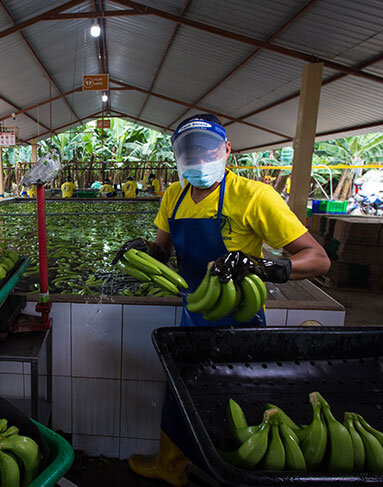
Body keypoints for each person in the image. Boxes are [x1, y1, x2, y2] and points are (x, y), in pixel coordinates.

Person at [116, 114, 330, 486]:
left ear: (226, 150)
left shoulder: (255, 196)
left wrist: (263, 266)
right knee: (180, 390)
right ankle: (170, 465)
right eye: (189, 152)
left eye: (207, 149)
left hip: (239, 316)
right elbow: (162, 251)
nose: (198, 160)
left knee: (234, 395)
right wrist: (144, 251)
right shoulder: (174, 195)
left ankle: (235, 471)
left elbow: (318, 258)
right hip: (194, 310)